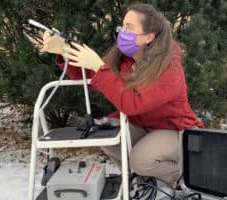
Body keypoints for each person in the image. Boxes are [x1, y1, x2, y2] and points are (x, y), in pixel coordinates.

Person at [42, 3, 204, 187]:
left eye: (129, 28)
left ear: (149, 37)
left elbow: (132, 103)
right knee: (101, 132)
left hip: (175, 129)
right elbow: (90, 76)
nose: (122, 32)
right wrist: (64, 52)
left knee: (141, 160)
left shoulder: (169, 68)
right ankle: (139, 182)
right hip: (143, 126)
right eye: (122, 26)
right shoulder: (125, 59)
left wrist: (99, 68)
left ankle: (183, 177)